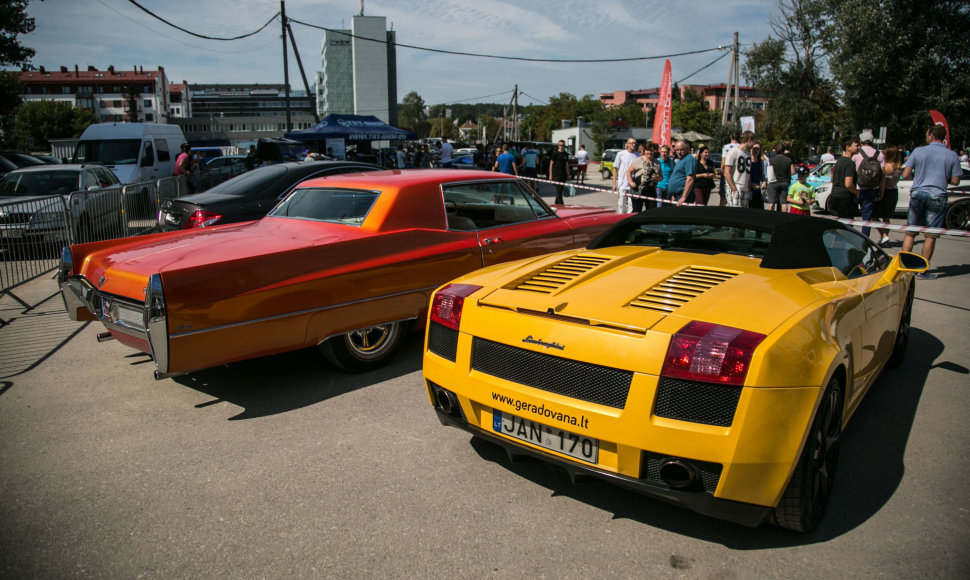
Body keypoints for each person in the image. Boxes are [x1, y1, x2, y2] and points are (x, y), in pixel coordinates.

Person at [901, 125, 962, 278]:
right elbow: (955, 181)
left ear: (931, 136)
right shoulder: (952, 155)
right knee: (930, 235)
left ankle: (903, 267)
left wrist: (920, 176)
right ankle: (922, 270)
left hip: (917, 193)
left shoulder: (918, 151)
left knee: (910, 232)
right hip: (937, 195)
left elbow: (906, 174)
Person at [852, 140, 886, 239]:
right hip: (871, 189)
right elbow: (883, 175)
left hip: (857, 188)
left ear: (861, 141)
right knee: (867, 218)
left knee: (849, 215)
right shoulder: (879, 154)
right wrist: (881, 190)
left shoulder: (857, 153)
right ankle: (865, 240)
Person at [875, 145, 902, 246]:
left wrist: (880, 192)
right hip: (893, 192)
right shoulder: (898, 167)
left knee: (874, 216)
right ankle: (884, 238)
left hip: (885, 191)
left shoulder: (887, 167)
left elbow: (882, 181)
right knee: (886, 217)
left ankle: (884, 235)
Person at [829, 138, 860, 219]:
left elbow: (832, 179)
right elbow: (848, 184)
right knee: (846, 226)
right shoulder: (850, 163)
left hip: (834, 195)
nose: (858, 147)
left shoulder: (838, 161)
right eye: (856, 145)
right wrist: (857, 193)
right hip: (845, 198)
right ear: (848, 147)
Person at [723, 131, 755, 207]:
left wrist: (749, 190)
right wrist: (734, 189)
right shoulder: (733, 152)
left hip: (745, 188)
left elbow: (748, 173)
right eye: (753, 141)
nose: (754, 144)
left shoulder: (748, 154)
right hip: (736, 186)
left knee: (743, 215)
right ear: (749, 140)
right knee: (735, 214)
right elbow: (727, 172)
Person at [627, 145, 661, 212]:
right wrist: (631, 181)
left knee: (651, 211)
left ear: (654, 151)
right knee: (637, 211)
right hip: (638, 189)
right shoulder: (638, 160)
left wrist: (657, 177)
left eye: (651, 150)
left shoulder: (657, 162)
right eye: (647, 150)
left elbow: (661, 177)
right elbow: (628, 171)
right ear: (644, 151)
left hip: (651, 190)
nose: (649, 152)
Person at [667, 140, 698, 207]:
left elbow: (690, 179)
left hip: (683, 196)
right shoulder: (681, 160)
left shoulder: (689, 159)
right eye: (677, 150)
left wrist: (683, 197)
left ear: (687, 149)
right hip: (677, 195)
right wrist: (673, 194)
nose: (679, 152)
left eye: (681, 150)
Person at [612, 138, 638, 213]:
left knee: (631, 205)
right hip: (622, 183)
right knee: (621, 204)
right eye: (632, 143)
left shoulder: (638, 155)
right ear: (627, 144)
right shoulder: (620, 154)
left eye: (635, 143)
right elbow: (615, 169)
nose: (634, 144)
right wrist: (614, 184)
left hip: (632, 185)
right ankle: (621, 219)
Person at [767, 142, 795, 212]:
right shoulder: (788, 160)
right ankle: (784, 217)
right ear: (784, 150)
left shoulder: (772, 160)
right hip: (784, 182)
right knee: (783, 202)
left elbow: (769, 172)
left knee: (771, 203)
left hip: (773, 182)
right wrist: (787, 175)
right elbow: (793, 171)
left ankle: (770, 217)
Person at [719, 132, 740, 206]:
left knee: (724, 197)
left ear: (731, 137)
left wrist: (722, 173)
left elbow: (723, 164)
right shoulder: (741, 147)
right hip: (738, 175)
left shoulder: (726, 147)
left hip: (728, 174)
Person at [549, 140, 571, 204]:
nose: (561, 146)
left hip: (563, 175)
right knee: (559, 191)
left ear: (564, 146)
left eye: (562, 145)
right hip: (556, 175)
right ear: (558, 146)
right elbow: (551, 165)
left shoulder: (565, 154)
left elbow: (566, 165)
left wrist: (568, 174)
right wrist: (550, 175)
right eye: (560, 145)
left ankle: (556, 204)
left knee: (560, 191)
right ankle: (562, 205)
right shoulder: (555, 154)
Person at [748, 143, 767, 209]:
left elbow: (762, 175)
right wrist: (752, 185)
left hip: (758, 191)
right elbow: (745, 177)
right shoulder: (748, 161)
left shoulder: (761, 161)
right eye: (754, 148)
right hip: (749, 190)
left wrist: (764, 182)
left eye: (758, 149)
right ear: (750, 149)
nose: (756, 150)